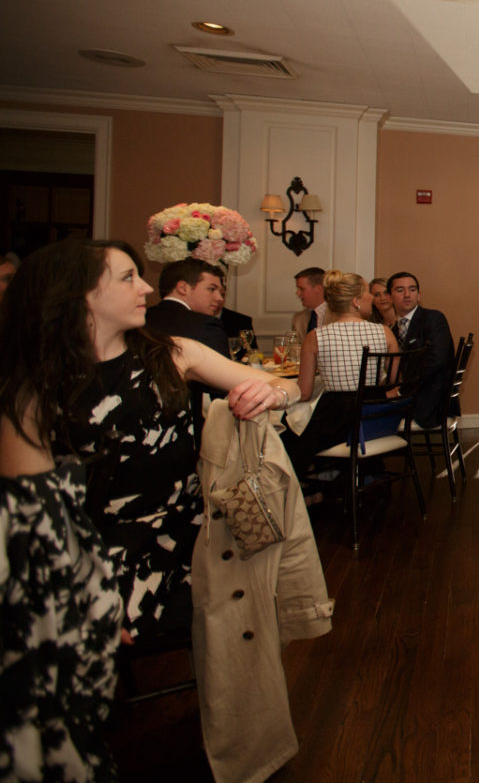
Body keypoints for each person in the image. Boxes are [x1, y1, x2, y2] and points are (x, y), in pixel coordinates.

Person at [0, 240, 298, 778]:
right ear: (78, 299)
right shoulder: (31, 394)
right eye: (128, 278)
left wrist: (268, 396)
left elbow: (281, 385)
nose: (145, 288)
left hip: (192, 536)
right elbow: (39, 530)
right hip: (91, 548)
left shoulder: (172, 352)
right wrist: (89, 598)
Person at [279, 270, 398, 474]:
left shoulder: (315, 337)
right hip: (374, 417)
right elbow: (395, 381)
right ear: (356, 301)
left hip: (334, 419)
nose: (372, 297)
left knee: (285, 428)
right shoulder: (384, 332)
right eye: (367, 293)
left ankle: (305, 489)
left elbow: (305, 392)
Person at [388, 271, 454, 429]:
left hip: (432, 401)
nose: (407, 295)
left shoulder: (433, 319)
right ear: (390, 297)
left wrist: (401, 391)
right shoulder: (393, 330)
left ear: (419, 295)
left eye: (412, 289)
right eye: (400, 290)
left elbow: (437, 361)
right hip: (411, 396)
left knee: (369, 410)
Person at [145, 257, 231, 357]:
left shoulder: (140, 318)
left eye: (221, 293)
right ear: (183, 288)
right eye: (211, 289)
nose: (219, 298)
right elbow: (220, 372)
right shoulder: (205, 327)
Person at [290, 266, 325, 338]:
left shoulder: (338, 316)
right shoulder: (298, 319)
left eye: (302, 289)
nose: (297, 293)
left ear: (318, 289)